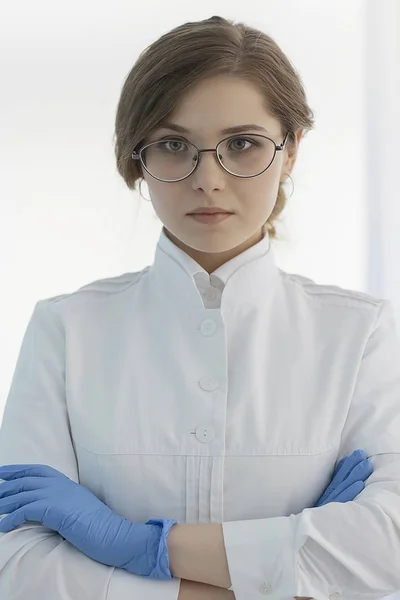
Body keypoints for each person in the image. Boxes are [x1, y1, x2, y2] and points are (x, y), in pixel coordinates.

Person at [1, 14, 400, 600]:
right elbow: (16, 566)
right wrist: (284, 572)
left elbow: (388, 549)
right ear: (138, 158)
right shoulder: (66, 329)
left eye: (242, 144)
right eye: (172, 145)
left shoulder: (361, 333)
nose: (208, 179)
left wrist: (146, 549)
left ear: (290, 152)